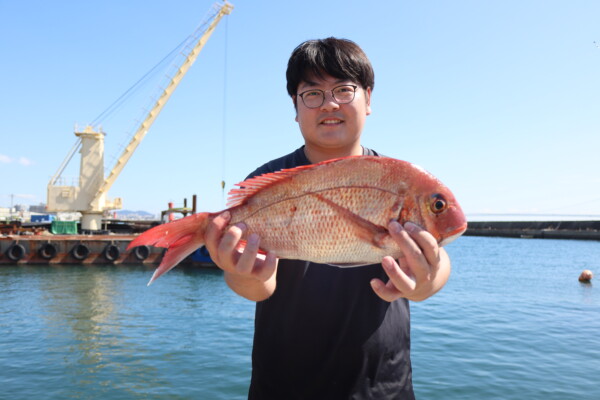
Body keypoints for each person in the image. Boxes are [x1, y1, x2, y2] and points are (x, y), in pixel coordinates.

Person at [204, 37, 452, 399]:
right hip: (283, 387)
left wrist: (426, 281)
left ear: (368, 99)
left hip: (383, 387)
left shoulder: (397, 179)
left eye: (343, 89)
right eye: (312, 94)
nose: (329, 103)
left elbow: (438, 259)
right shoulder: (267, 180)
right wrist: (243, 275)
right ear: (295, 105)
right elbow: (257, 287)